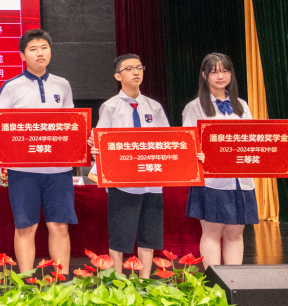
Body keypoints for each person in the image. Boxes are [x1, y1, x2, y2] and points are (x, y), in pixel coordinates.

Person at [0, 28, 76, 274]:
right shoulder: (11, 87)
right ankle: (25, 282)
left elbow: (72, 123)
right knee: (25, 227)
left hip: (59, 169)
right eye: (33, 49)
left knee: (59, 226)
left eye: (44, 47)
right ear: (23, 56)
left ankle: (61, 282)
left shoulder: (63, 85)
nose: (40, 53)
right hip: (23, 170)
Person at [93, 54, 168, 277]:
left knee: (149, 237)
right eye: (129, 69)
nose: (136, 72)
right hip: (122, 183)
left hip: (151, 181)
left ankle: (144, 282)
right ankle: (118, 282)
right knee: (120, 237)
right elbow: (102, 142)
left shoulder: (154, 107)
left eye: (139, 67)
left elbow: (168, 140)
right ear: (118, 76)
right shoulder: (110, 107)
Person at [182, 53, 258, 266]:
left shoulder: (241, 105)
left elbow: (253, 137)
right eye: (214, 72)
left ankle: (233, 280)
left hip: (241, 180)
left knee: (235, 233)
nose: (221, 76)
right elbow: (188, 142)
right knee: (212, 233)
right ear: (204, 75)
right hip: (212, 181)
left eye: (225, 71)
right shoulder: (195, 107)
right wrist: (197, 152)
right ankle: (213, 281)